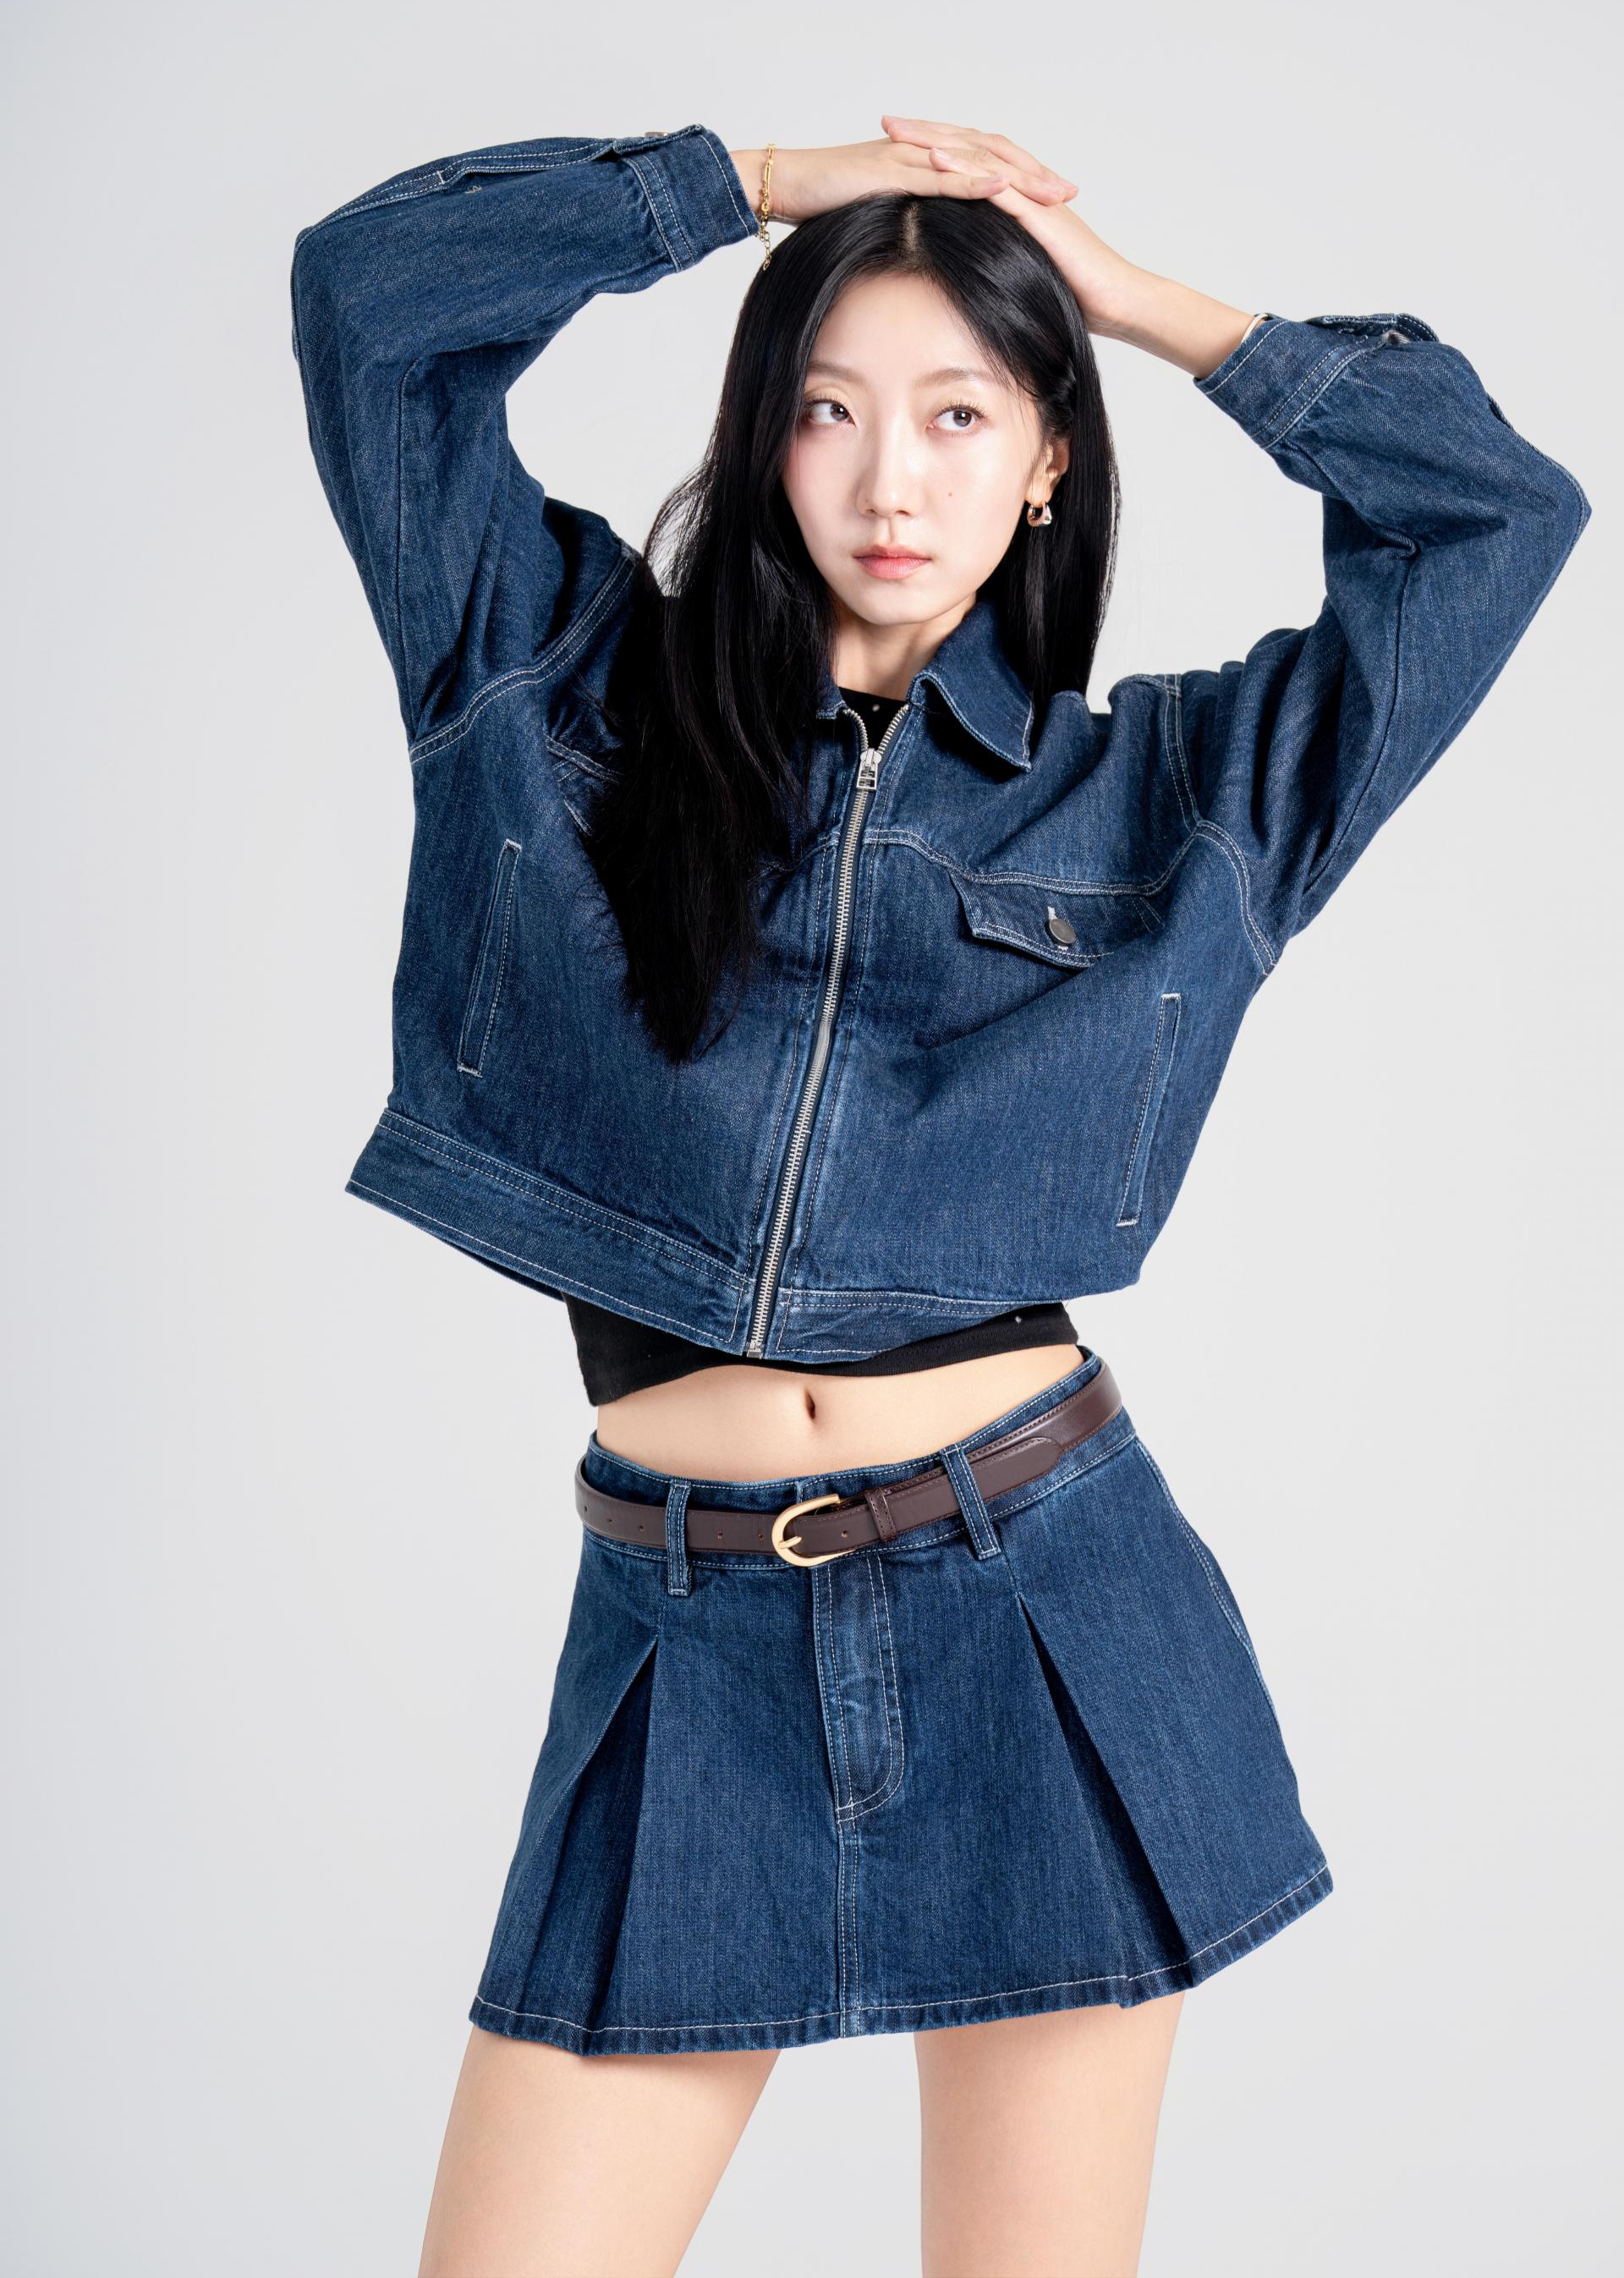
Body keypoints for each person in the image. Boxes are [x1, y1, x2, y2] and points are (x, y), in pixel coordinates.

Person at [289, 117, 1590, 2277]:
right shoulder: (545, 673)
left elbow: (1495, 515)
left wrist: (1134, 300)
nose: (890, 480)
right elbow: (368, 306)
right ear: (765, 442)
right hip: (681, 1624)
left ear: (1048, 456)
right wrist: (747, 181)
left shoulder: (1174, 800)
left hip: (1044, 1607)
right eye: (829, 410)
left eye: (961, 414)